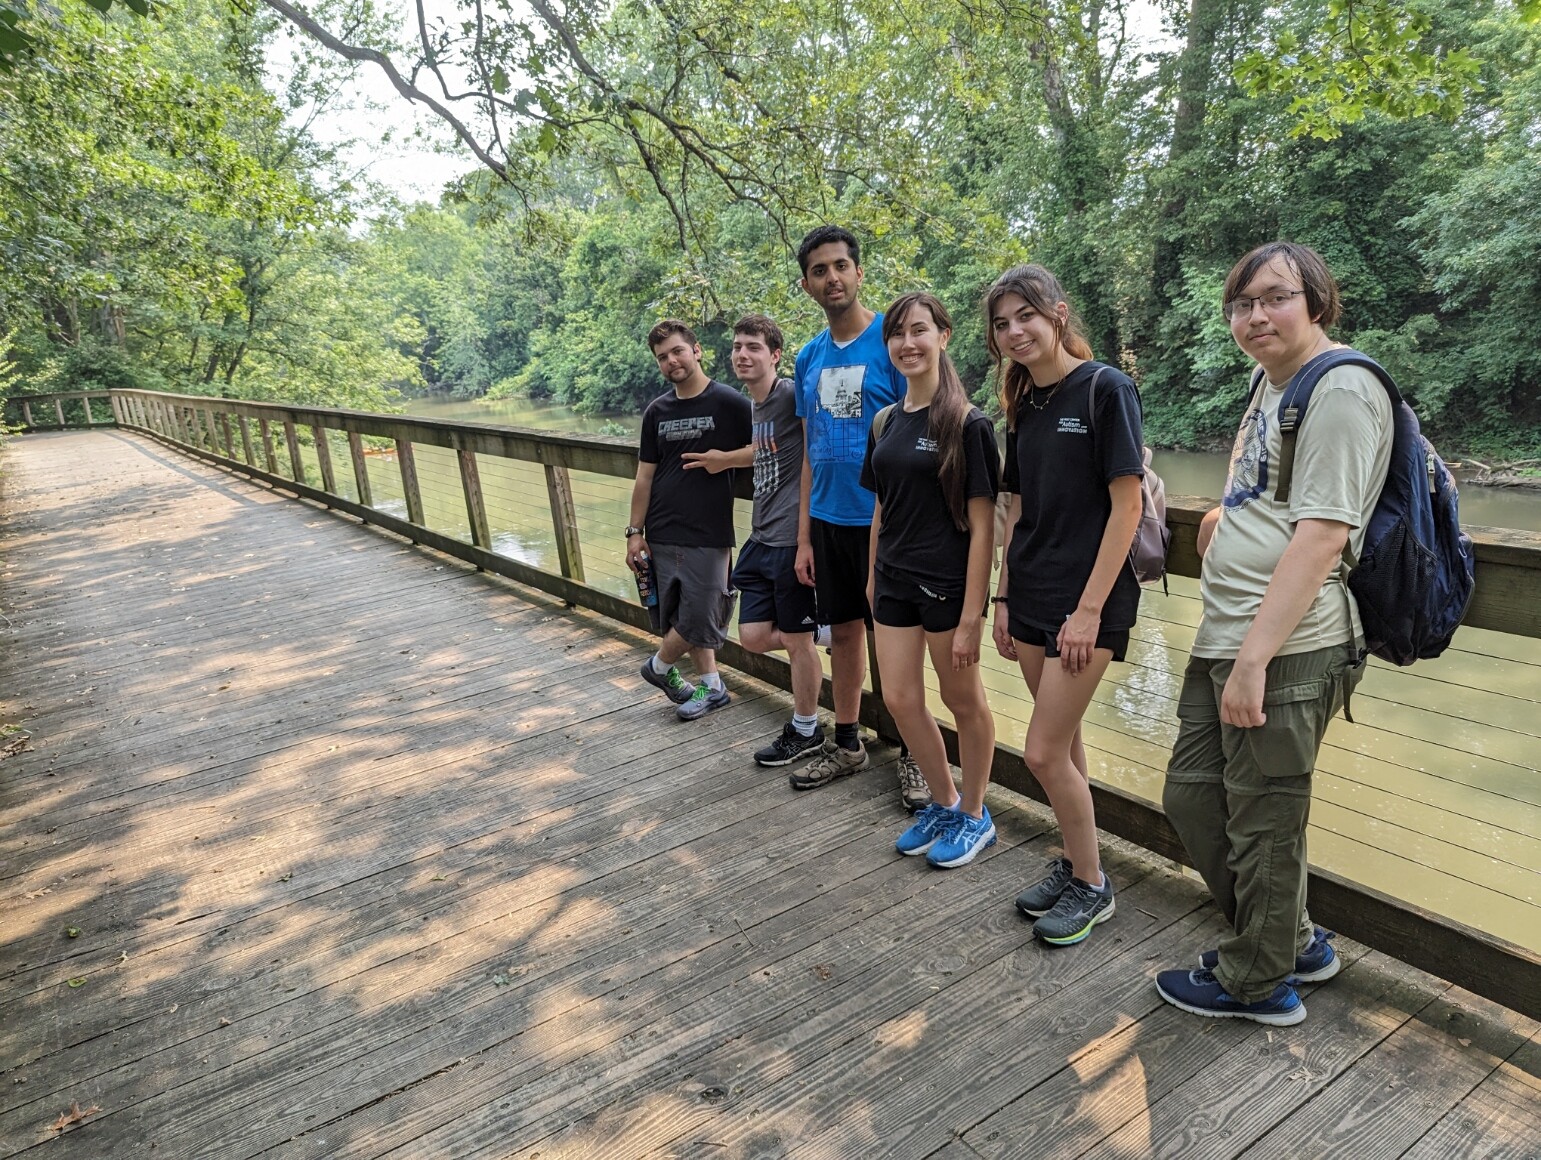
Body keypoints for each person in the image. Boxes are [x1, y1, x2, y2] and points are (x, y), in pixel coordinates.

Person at [1155, 242, 1392, 1025]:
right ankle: (1293, 942)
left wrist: (1254, 659)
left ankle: (1258, 983)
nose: (1254, 315)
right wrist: (1226, 506)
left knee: (1264, 824)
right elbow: (1260, 472)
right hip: (1227, 636)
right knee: (1192, 798)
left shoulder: (1344, 390)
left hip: (1285, 650)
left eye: (1274, 297)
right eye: (1241, 304)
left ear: (1315, 301)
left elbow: (1324, 533)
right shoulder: (1273, 379)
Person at [986, 264, 1145, 945]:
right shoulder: (1022, 405)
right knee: (1066, 748)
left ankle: (1093, 885)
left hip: (1088, 606)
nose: (1014, 331)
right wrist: (1000, 594)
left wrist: (1087, 610)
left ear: (1057, 312)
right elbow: (1015, 508)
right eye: (1001, 323)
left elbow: (1126, 504)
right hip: (1028, 594)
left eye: (1025, 315)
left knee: (1042, 753)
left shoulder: (1105, 389)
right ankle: (1077, 861)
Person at [788, 225, 929, 810]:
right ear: (807, 284)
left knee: (898, 644)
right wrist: (803, 538)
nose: (832, 278)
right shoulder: (808, 357)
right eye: (820, 271)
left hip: (887, 523)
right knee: (842, 633)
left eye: (841, 266)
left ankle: (917, 756)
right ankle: (847, 743)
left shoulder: (891, 344)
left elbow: (924, 429)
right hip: (827, 519)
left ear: (858, 272)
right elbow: (807, 449)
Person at [862, 293, 1001, 868]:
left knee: (962, 700)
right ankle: (944, 800)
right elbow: (880, 508)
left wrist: (974, 613)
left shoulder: (968, 425)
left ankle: (975, 814)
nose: (907, 343)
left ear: (944, 336)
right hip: (892, 579)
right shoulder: (886, 420)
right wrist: (872, 577)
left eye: (920, 330)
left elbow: (983, 525)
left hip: (946, 585)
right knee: (898, 698)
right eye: (897, 334)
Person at [683, 314, 825, 766]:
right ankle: (828, 628)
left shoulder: (788, 395)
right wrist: (726, 459)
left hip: (789, 538)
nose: (742, 355)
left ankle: (807, 727)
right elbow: (767, 448)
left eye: (754, 348)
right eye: (738, 347)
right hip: (760, 535)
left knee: (798, 642)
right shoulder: (756, 406)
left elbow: (811, 448)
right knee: (751, 636)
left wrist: (809, 536)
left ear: (776, 356)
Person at [626, 319, 754, 721]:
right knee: (681, 613)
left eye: (678, 351)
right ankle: (713, 686)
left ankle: (659, 667)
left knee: (705, 610)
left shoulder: (730, 402)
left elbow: (769, 446)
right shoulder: (656, 411)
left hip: (708, 532)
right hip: (661, 531)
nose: (671, 361)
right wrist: (634, 532)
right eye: (662, 357)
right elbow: (644, 475)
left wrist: (725, 460)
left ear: (696, 350)